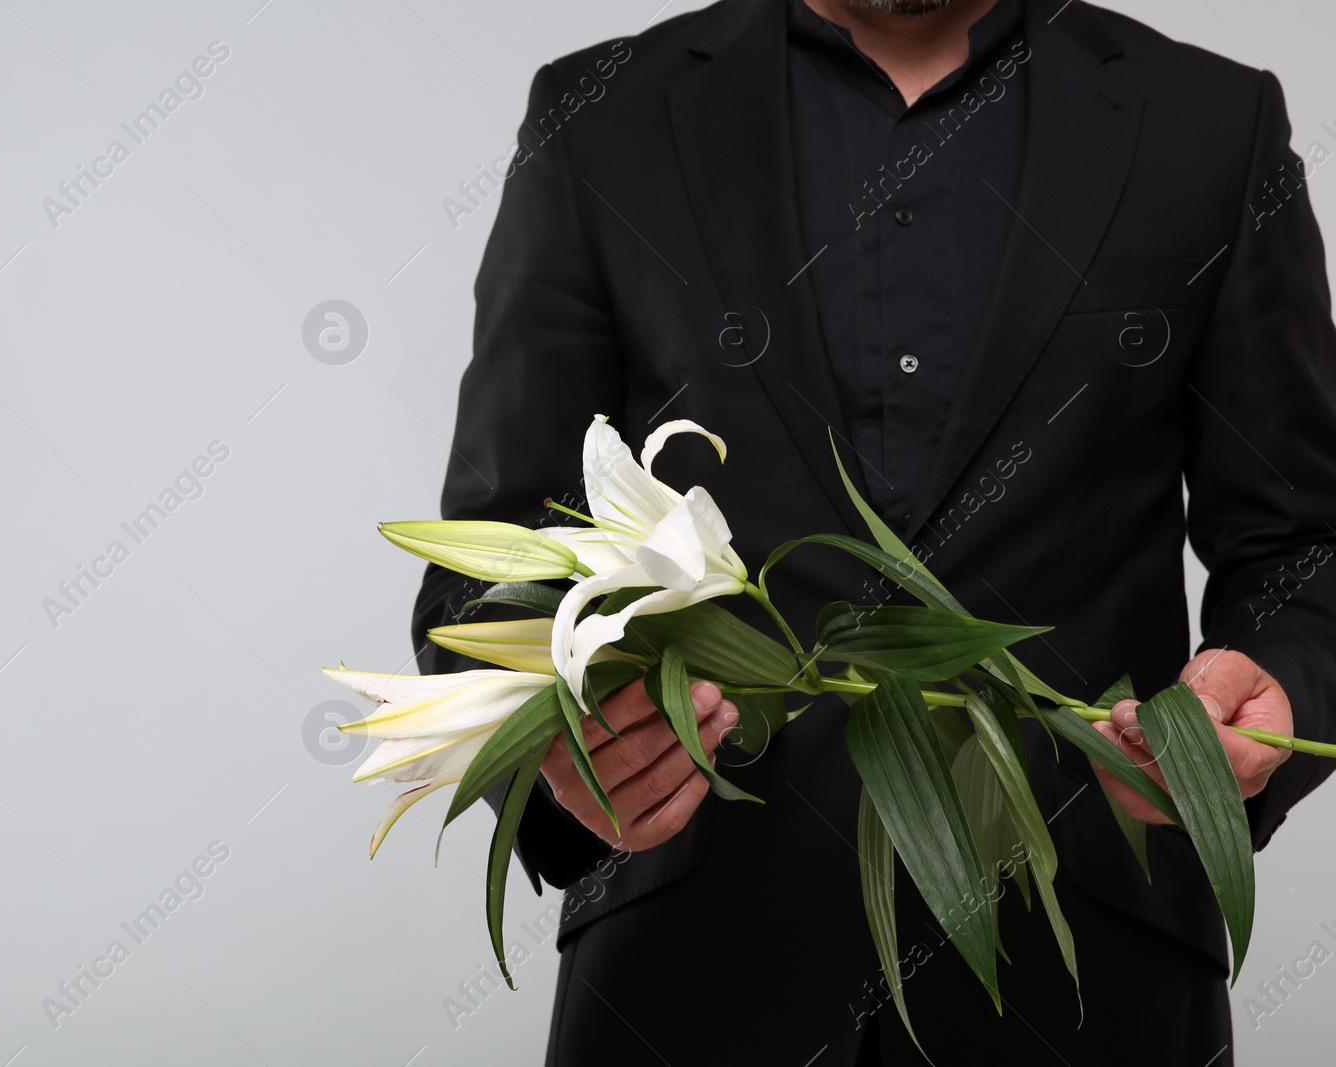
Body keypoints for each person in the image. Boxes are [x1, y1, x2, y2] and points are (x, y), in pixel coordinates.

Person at [412, 0, 1336, 1062]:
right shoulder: (601, 116)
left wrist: (1271, 685)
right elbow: (490, 566)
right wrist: (572, 754)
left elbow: (1302, 544)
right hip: (691, 977)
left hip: (1090, 978)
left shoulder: (1211, 124)